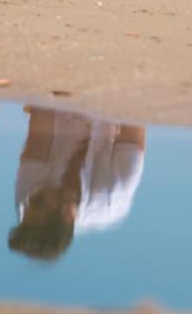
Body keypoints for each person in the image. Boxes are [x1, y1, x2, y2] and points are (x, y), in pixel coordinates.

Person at [8, 106, 146, 260]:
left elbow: (42, 114)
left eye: (29, 204)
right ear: (68, 214)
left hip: (66, 108)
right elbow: (134, 119)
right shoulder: (113, 195)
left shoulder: (26, 202)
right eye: (38, 202)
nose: (30, 199)